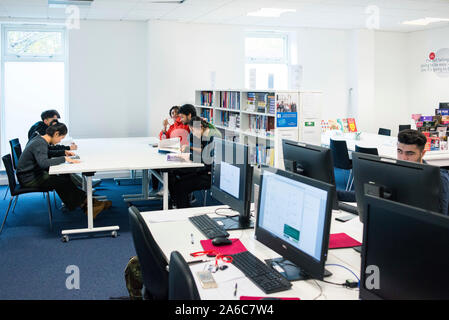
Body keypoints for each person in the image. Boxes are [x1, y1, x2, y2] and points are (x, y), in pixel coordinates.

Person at [338, 129, 449, 216]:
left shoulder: (439, 178)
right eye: (400, 151)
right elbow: (366, 194)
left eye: (410, 154)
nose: (403, 158)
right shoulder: (394, 172)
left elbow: (441, 217)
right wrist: (335, 193)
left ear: (422, 153)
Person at [17, 122, 111, 219]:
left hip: (33, 174)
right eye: (61, 138)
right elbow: (43, 163)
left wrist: (63, 152)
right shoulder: (40, 143)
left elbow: (47, 152)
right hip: (29, 179)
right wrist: (64, 159)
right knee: (62, 182)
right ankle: (87, 205)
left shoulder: (39, 139)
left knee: (64, 178)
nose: (59, 141)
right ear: (56, 134)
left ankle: (89, 204)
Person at [28, 110, 102, 189]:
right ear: (45, 121)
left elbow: (48, 148)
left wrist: (64, 151)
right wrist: (64, 155)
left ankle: (84, 190)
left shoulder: (40, 129)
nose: (56, 123)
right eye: (54, 120)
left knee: (63, 169)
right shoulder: (41, 134)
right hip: (34, 173)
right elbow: (46, 153)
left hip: (35, 168)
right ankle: (84, 191)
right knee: (63, 173)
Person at [168, 116, 222, 209]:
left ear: (200, 126)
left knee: (180, 185)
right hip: (202, 168)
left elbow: (206, 160)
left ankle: (182, 209)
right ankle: (177, 203)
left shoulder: (213, 137)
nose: (192, 133)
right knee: (173, 173)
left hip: (210, 174)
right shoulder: (202, 133)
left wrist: (188, 156)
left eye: (193, 130)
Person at [151, 106, 190, 195]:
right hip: (174, 151)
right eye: (172, 113)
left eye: (177, 112)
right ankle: (156, 188)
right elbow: (164, 140)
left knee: (166, 163)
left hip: (183, 154)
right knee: (155, 163)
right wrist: (164, 127)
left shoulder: (186, 124)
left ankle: (167, 188)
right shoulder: (172, 127)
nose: (175, 114)